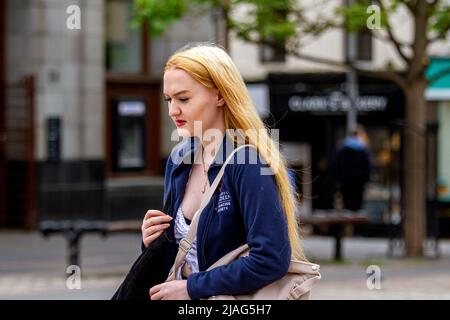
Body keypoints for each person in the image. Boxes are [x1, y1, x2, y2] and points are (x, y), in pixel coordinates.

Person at [140, 43, 308, 300]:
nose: (173, 110)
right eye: (169, 99)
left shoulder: (249, 162)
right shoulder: (179, 160)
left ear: (220, 95)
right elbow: (184, 254)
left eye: (183, 99)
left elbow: (271, 258)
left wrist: (193, 287)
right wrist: (153, 240)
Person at [331, 125, 371, 211]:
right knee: (357, 207)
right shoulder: (363, 149)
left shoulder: (341, 148)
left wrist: (338, 180)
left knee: (347, 206)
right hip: (358, 183)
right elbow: (368, 167)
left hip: (345, 183)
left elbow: (335, 165)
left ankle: (348, 223)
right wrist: (365, 179)